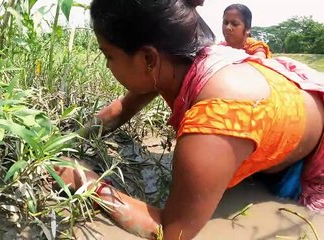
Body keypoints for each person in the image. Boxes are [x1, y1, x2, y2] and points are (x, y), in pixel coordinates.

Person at [55, 0, 324, 239]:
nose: (107, 65)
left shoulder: (218, 116)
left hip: (307, 149)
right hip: (287, 111)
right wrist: (66, 139)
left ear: (148, 58)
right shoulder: (174, 64)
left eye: (108, 55)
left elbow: (170, 231)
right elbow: (121, 109)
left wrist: (84, 181)